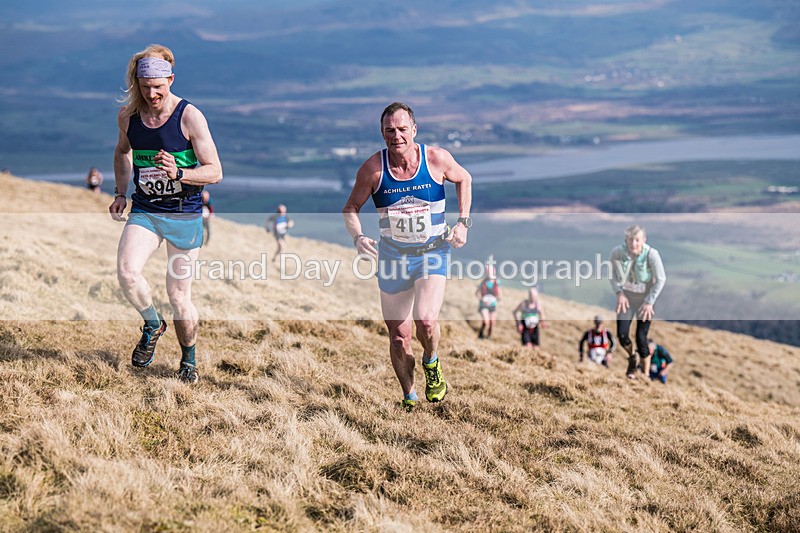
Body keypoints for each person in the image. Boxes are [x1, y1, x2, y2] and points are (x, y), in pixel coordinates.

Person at [342, 102, 472, 411]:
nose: (396, 136)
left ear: (414, 130)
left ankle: (431, 361)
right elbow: (350, 208)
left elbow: (464, 178)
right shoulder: (373, 169)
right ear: (382, 133)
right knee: (399, 337)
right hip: (392, 256)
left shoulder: (436, 159)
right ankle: (410, 397)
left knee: (426, 320)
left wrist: (463, 223)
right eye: (390, 130)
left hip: (432, 251)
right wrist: (358, 236)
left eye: (402, 129)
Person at [108, 44, 222, 384]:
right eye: (146, 88)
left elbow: (214, 171)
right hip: (146, 209)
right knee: (128, 273)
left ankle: (189, 360)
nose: (152, 94)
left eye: (159, 87)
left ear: (171, 79)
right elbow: (121, 151)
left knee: (179, 297)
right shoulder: (128, 116)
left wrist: (179, 173)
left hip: (184, 214)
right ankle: (152, 323)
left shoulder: (189, 116)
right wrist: (119, 192)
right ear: (137, 84)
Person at [609, 225, 666, 379]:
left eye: (637, 240)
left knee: (641, 338)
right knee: (622, 335)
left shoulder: (652, 255)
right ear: (625, 240)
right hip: (626, 298)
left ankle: (645, 376)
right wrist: (619, 293)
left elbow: (661, 279)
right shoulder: (617, 253)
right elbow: (612, 275)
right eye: (630, 240)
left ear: (643, 240)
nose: (633, 244)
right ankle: (632, 358)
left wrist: (649, 302)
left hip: (645, 300)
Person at [513, 287, 545, 353]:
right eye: (532, 296)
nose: (533, 298)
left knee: (536, 349)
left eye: (535, 296)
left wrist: (542, 321)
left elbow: (542, 313)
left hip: (534, 328)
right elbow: (514, 312)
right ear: (529, 295)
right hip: (525, 328)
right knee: (528, 347)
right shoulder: (524, 304)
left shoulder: (538, 304)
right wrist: (518, 323)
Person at [476, 262, 501, 339]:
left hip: (493, 305)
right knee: (486, 321)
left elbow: (499, 294)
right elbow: (477, 293)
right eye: (488, 272)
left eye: (491, 272)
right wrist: (482, 299)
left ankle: (489, 335)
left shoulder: (497, 282)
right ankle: (481, 335)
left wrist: (500, 300)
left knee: (492, 322)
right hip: (484, 305)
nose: (490, 274)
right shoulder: (483, 282)